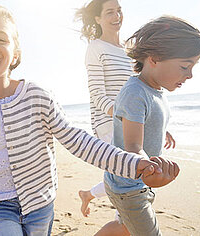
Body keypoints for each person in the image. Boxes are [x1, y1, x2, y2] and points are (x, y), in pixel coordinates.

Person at [0, 5, 179, 236]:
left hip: (40, 201)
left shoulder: (33, 95)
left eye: (1, 39)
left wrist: (133, 164)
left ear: (15, 55)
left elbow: (77, 140)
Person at [75, 1, 175, 233]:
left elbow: (144, 92)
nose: (117, 15)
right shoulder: (95, 48)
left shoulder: (130, 50)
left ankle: (88, 195)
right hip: (109, 122)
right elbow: (98, 96)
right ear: (98, 19)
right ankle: (94, 199)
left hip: (133, 121)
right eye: (109, 11)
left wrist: (156, 124)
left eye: (119, 9)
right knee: (132, 191)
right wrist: (129, 119)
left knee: (132, 196)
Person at [101, 16, 200, 236]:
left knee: (125, 227)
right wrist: (152, 171)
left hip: (132, 183)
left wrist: (161, 130)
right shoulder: (135, 93)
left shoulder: (155, 91)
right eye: (185, 66)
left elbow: (142, 120)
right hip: (128, 187)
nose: (190, 75)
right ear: (155, 58)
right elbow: (133, 146)